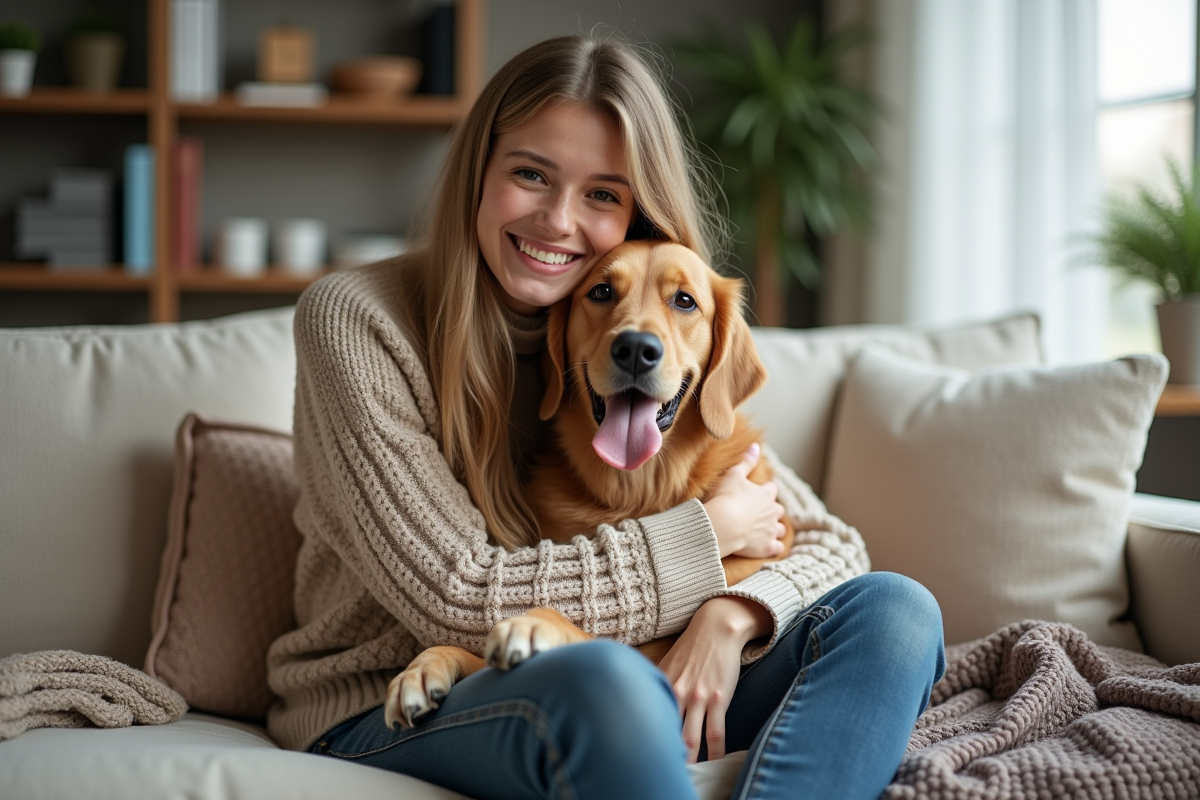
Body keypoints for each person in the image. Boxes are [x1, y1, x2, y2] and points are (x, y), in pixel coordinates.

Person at [267, 32, 946, 800]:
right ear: (478, 174)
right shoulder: (354, 322)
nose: (559, 220)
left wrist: (730, 615)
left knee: (897, 612)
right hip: (392, 699)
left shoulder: (640, 345)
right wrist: (711, 537)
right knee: (602, 678)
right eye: (531, 174)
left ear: (636, 211)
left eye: (601, 194)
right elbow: (456, 596)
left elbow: (830, 546)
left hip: (645, 675)